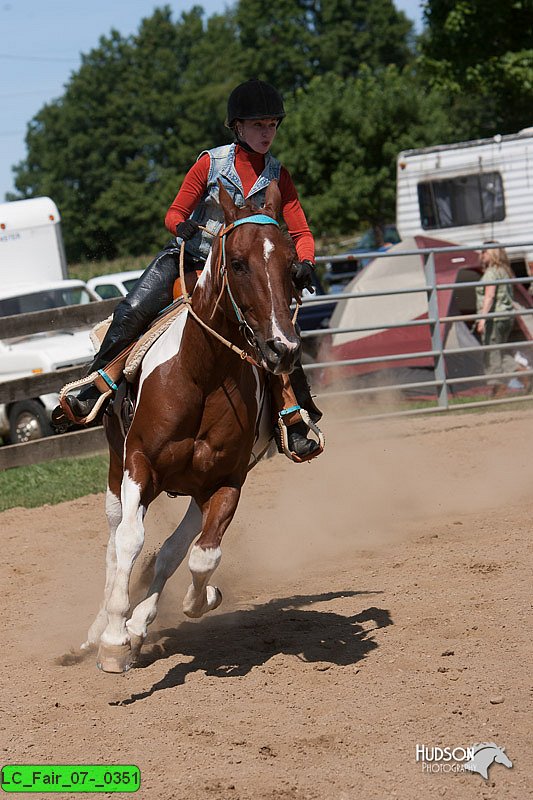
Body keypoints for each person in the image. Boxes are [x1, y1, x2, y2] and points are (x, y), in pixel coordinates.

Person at [52, 79, 321, 457]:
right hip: (191, 259)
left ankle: (295, 417)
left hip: (246, 273)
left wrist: (306, 261)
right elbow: (174, 212)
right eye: (258, 125)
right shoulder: (210, 164)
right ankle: (94, 387)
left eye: (272, 125)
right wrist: (181, 226)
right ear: (238, 127)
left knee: (281, 332)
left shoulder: (279, 176)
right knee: (131, 310)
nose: (267, 133)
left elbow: (301, 231)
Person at [475, 243, 514, 396]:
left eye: (484, 252)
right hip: (506, 316)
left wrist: (482, 319)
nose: (481, 255)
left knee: (492, 353)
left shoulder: (491, 272)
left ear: (491, 253)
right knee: (501, 350)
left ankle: (499, 388)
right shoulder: (504, 270)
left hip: (494, 317)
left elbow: (489, 296)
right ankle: (524, 374)